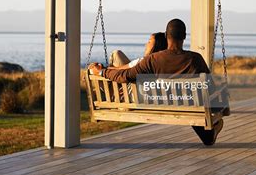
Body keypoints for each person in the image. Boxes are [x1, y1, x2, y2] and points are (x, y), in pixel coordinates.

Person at [89, 18, 224, 146]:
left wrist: (101, 72)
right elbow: (209, 86)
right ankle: (209, 136)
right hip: (187, 105)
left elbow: (126, 76)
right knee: (193, 101)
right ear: (184, 36)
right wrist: (219, 106)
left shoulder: (152, 59)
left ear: (166, 36)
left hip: (155, 101)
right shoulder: (195, 59)